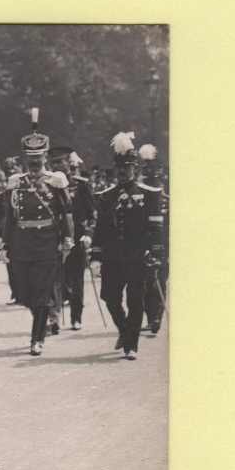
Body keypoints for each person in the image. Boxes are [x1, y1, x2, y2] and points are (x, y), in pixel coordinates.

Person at [0, 112, 73, 356]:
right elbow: (10, 217)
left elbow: (66, 214)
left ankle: (37, 338)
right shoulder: (16, 183)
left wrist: (67, 240)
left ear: (45, 157)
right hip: (22, 244)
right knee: (24, 291)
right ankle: (44, 317)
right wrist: (4, 243)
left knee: (40, 293)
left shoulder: (56, 181)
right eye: (30, 158)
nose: (34, 162)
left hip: (47, 244)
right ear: (24, 158)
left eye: (38, 157)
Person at [90, 133, 165, 360]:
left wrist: (156, 253)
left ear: (135, 168)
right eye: (119, 168)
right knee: (109, 297)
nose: (122, 172)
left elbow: (156, 228)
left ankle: (130, 345)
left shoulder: (149, 194)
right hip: (113, 258)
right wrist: (96, 256)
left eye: (127, 168)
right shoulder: (106, 196)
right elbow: (100, 229)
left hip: (137, 257)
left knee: (135, 302)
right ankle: (124, 330)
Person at [49, 147, 97, 330]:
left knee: (76, 280)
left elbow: (92, 215)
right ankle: (54, 317)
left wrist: (88, 235)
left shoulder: (81, 185)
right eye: (54, 162)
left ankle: (76, 317)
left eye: (61, 161)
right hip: (54, 238)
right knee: (55, 279)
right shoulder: (48, 185)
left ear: (69, 162)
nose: (57, 166)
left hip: (76, 238)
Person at [138, 145, 169, 335]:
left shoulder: (167, 193)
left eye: (155, 173)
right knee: (149, 279)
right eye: (149, 174)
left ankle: (155, 316)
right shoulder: (143, 192)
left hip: (164, 240)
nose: (153, 177)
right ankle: (153, 317)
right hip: (148, 238)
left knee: (158, 278)